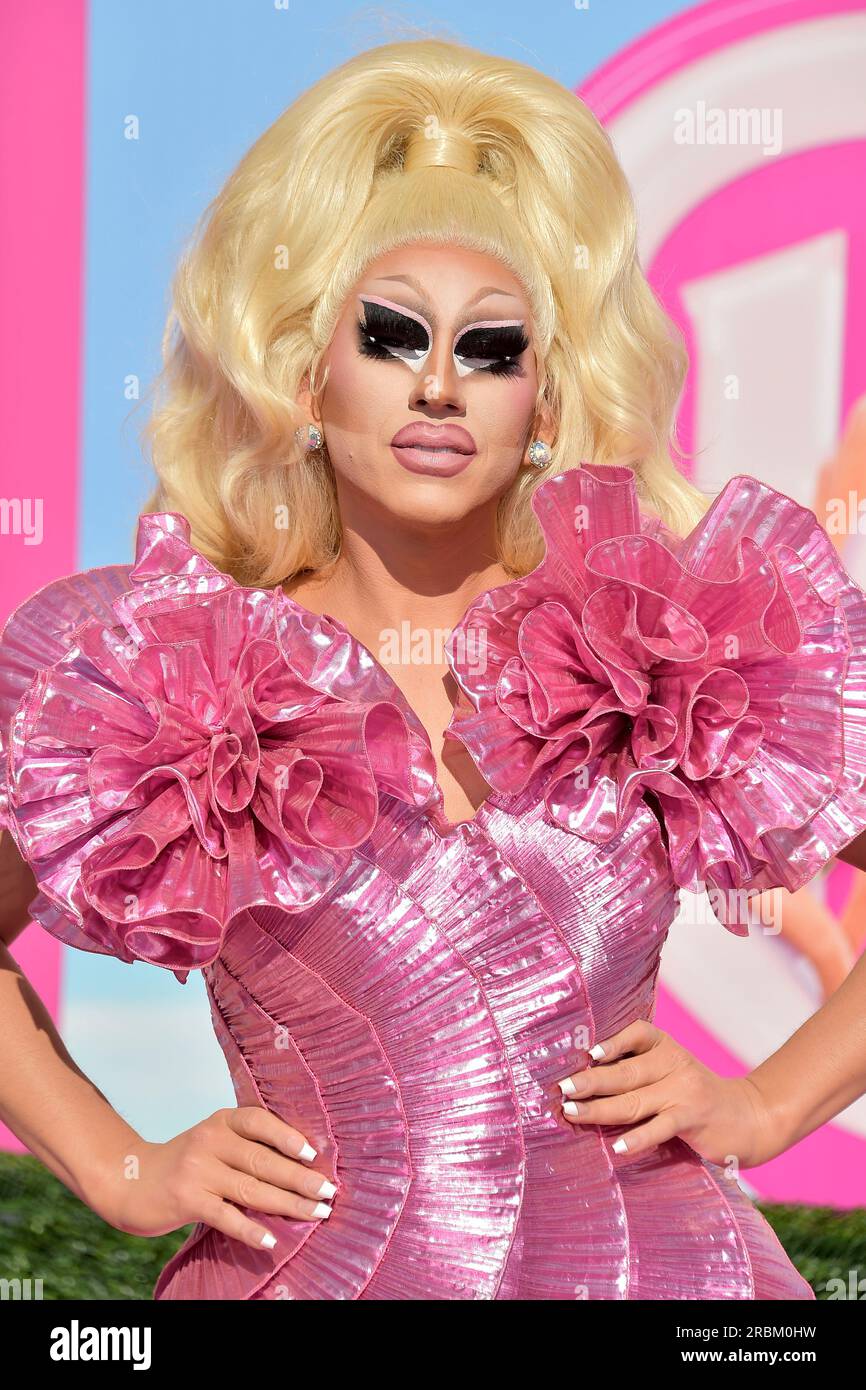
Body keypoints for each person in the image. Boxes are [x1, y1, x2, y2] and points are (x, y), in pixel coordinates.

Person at [2, 37, 866, 1302]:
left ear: (549, 407)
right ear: (304, 377)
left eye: (492, 349)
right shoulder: (169, 675)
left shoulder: (662, 658)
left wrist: (766, 1106)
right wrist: (122, 1168)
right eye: (392, 335)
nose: (439, 388)